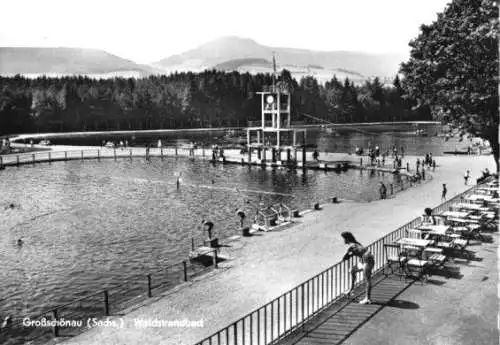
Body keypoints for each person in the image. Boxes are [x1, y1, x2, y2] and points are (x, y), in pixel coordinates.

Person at [341, 232, 374, 304]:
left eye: (344, 239)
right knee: (352, 270)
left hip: (367, 260)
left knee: (367, 279)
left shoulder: (352, 246)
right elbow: (358, 252)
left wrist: (349, 254)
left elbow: (345, 257)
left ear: (347, 239)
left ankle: (367, 299)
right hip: (365, 260)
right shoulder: (356, 244)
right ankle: (351, 290)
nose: (343, 241)